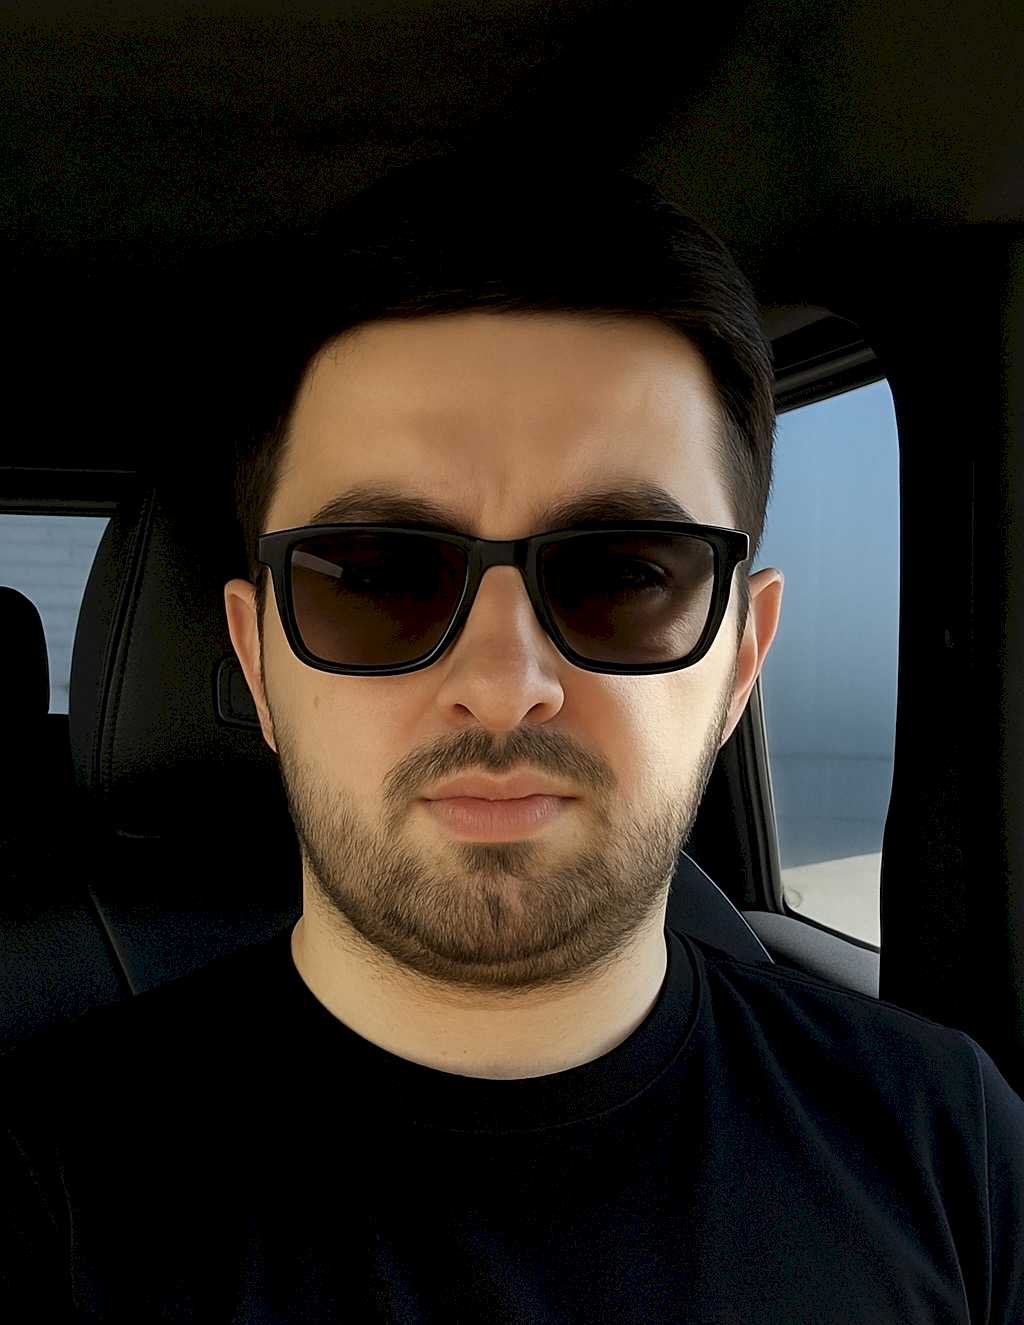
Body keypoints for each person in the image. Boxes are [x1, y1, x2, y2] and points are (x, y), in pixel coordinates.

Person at [2, 147, 1021, 1322]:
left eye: (622, 572)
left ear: (741, 657)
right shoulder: (39, 1193)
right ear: (258, 660)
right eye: (376, 576)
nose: (501, 684)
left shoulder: (951, 1147)